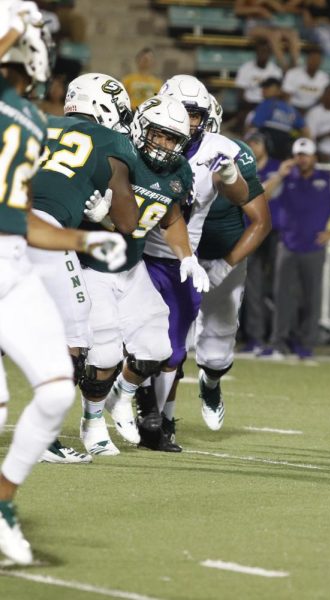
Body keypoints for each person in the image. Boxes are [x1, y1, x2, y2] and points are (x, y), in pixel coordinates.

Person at [0, 12, 128, 564]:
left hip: (13, 263)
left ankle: (3, 505)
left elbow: (21, 216)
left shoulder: (34, 120)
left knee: (53, 392)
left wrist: (83, 239)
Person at [78, 95, 203, 457]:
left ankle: (123, 395)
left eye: (172, 139)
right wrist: (100, 216)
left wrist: (188, 257)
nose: (164, 145)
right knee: (103, 353)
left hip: (132, 266)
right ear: (141, 127)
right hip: (93, 265)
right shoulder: (117, 154)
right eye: (158, 135)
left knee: (157, 349)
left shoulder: (179, 171)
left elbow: (171, 217)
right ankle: (92, 421)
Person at [29, 73, 138, 465]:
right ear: (106, 107)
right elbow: (129, 222)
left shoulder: (38, 121)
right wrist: (107, 215)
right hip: (44, 232)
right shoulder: (113, 140)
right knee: (76, 336)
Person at [140, 75, 247, 452]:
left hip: (180, 259)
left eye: (195, 114)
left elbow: (240, 196)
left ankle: (161, 421)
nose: (187, 122)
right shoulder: (142, 138)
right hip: (133, 253)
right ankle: (120, 409)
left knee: (175, 350)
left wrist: (230, 174)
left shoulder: (216, 149)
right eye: (181, 112)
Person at [194, 97, 270, 431]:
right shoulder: (167, 148)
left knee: (216, 352)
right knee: (162, 342)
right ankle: (154, 414)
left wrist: (225, 264)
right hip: (176, 254)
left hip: (223, 254)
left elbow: (261, 221)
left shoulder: (234, 153)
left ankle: (210, 385)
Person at [262, 137, 330, 358]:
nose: (302, 159)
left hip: (314, 245)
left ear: (314, 156)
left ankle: (305, 343)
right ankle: (279, 341)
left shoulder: (329, 179)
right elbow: (263, 195)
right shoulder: (286, 178)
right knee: (283, 296)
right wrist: (279, 175)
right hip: (288, 244)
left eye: (305, 155)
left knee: (311, 298)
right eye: (298, 155)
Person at [241, 132, 282, 353]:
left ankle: (278, 338)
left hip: (277, 232)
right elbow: (252, 194)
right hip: (251, 230)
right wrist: (277, 178)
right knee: (252, 286)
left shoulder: (279, 165)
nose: (253, 147)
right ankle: (255, 338)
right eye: (250, 143)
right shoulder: (244, 166)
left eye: (257, 142)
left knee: (280, 287)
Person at [247, 77, 305, 160]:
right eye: (263, 87)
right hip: (283, 153)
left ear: (278, 90)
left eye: (267, 87)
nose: (264, 89)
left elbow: (252, 128)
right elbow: (305, 131)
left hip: (266, 152)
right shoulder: (291, 108)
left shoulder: (267, 104)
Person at [234, 0, 301, 69]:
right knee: (274, 35)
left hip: (269, 23)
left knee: (292, 34)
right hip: (253, 24)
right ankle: (283, 66)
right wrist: (258, 9)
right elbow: (238, 11)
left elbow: (281, 9)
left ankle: (295, 65)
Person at [234, 39, 284, 109]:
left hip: (269, 106)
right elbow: (240, 94)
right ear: (256, 52)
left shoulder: (276, 71)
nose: (263, 54)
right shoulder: (245, 68)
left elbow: (277, 94)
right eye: (261, 51)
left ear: (270, 53)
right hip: (249, 104)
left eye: (265, 51)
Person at [282, 46, 330, 114]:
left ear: (321, 61)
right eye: (312, 59)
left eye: (317, 59)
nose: (314, 62)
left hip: (313, 110)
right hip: (294, 108)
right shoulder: (292, 73)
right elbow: (286, 97)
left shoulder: (325, 78)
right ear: (307, 59)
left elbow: (323, 99)